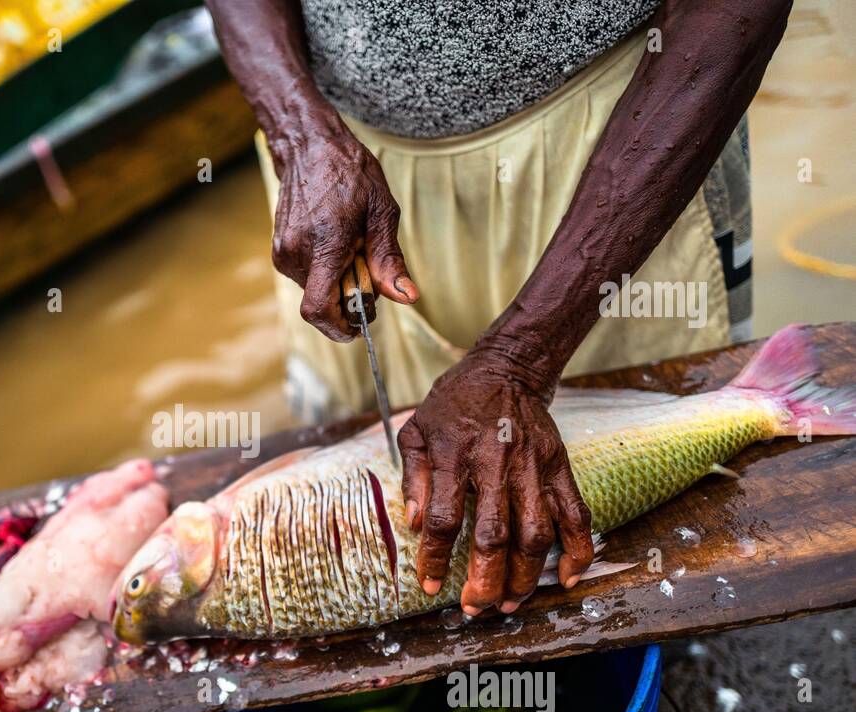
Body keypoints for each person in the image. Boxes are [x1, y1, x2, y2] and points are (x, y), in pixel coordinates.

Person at [205, 0, 787, 617]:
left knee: (676, 555)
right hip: (337, 166)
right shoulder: (305, 138)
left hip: (626, 145)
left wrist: (520, 358)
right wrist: (296, 129)